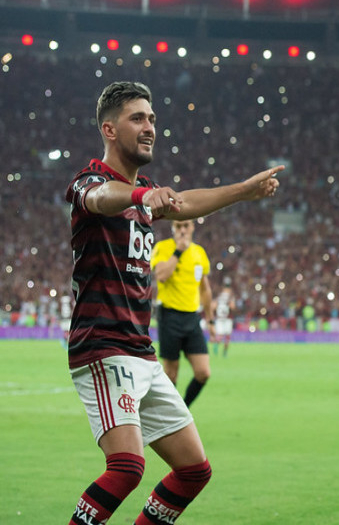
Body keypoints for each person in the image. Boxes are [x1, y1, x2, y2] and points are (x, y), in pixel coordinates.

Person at [65, 80, 282, 525]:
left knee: (193, 470)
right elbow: (103, 199)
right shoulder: (91, 182)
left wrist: (242, 190)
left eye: (153, 120)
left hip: (140, 351)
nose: (150, 128)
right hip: (103, 348)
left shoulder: (144, 190)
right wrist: (144, 196)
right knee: (126, 468)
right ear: (109, 129)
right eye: (138, 118)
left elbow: (184, 203)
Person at [150, 219, 214, 407]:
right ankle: (169, 418)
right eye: (178, 226)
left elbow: (205, 289)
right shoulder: (163, 247)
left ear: (193, 227)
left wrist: (210, 320)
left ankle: (182, 410)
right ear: (173, 228)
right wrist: (178, 251)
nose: (183, 230)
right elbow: (161, 275)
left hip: (192, 317)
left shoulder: (199, 252)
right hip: (169, 316)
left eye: (186, 226)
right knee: (171, 374)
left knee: (203, 372)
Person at [211, 279, 236, 357]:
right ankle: (224, 351)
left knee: (222, 335)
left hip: (220, 318)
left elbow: (213, 307)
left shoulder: (219, 297)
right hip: (226, 319)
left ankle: (219, 347)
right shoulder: (230, 297)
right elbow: (233, 307)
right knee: (226, 336)